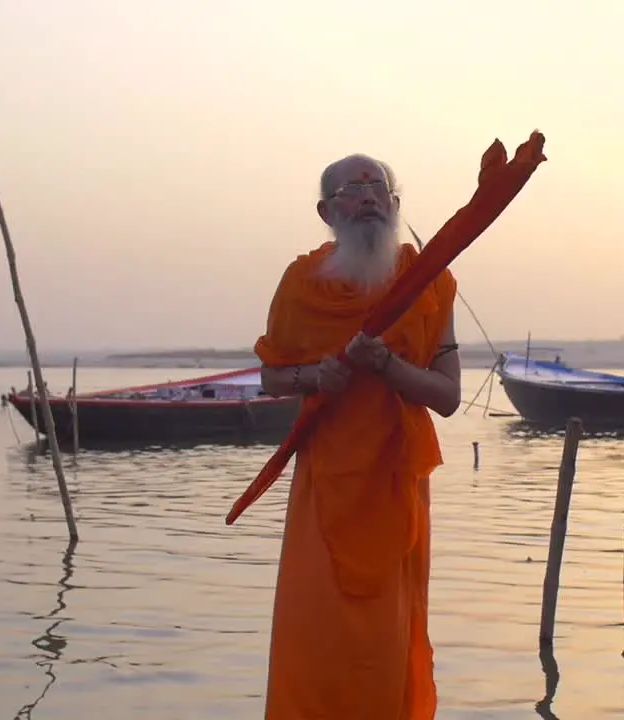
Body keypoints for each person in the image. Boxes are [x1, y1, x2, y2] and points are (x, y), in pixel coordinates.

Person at [253, 153, 461, 719]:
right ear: (327, 211)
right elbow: (272, 376)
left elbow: (446, 397)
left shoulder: (430, 281)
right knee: (315, 637)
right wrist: (313, 376)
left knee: (385, 646)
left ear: (395, 205)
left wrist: (388, 368)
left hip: (395, 488)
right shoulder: (302, 284)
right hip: (325, 490)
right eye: (352, 189)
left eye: (378, 188)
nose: (367, 197)